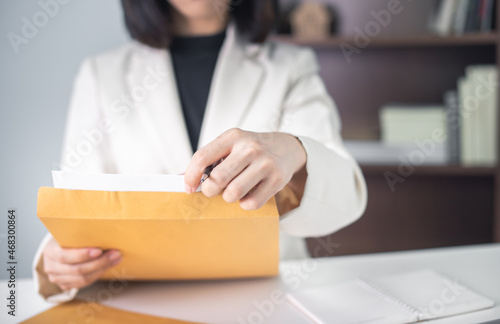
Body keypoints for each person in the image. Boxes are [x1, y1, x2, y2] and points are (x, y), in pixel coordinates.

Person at [33, 0, 367, 302]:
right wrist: (58, 259)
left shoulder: (292, 66)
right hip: (139, 302)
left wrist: (296, 152)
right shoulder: (100, 75)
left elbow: (346, 198)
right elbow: (78, 207)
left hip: (269, 300)